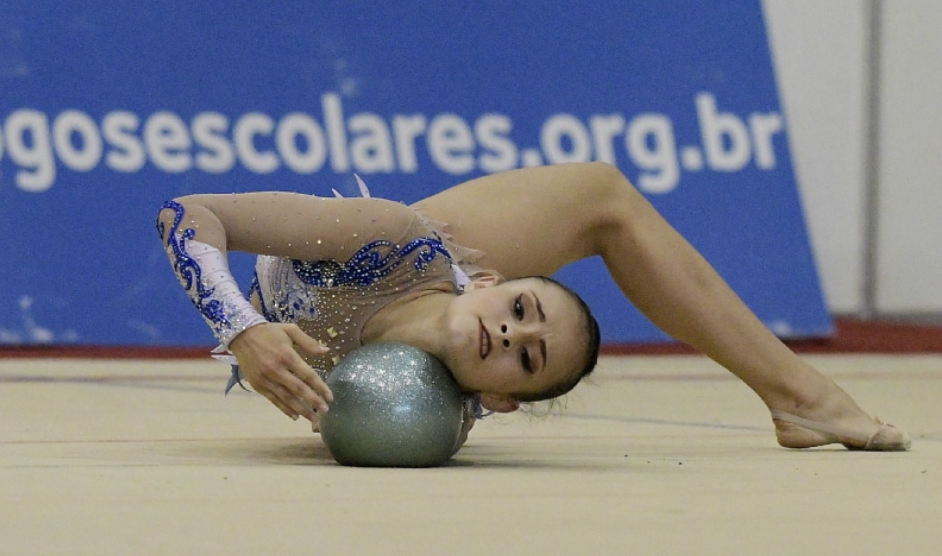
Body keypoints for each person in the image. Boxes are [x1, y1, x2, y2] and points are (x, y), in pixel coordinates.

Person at [158, 162, 910, 452]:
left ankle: (799, 405)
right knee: (599, 193)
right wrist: (243, 328)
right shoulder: (380, 240)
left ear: (498, 400)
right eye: (520, 307)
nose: (511, 330)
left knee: (594, 224)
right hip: (365, 279)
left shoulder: (438, 413)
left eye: (526, 353)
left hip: (408, 344)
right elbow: (187, 214)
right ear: (490, 284)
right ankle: (802, 394)